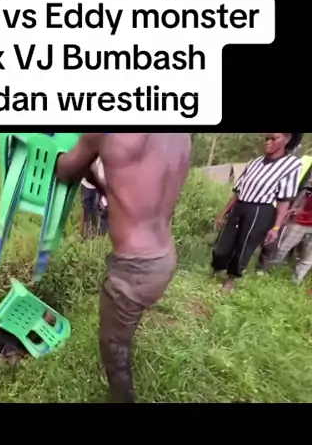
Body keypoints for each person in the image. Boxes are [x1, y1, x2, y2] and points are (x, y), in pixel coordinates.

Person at [56, 133, 191, 404]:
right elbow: (133, 181)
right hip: (164, 257)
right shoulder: (182, 133)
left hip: (135, 268)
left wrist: (68, 150)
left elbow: (64, 172)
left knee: (113, 346)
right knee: (124, 323)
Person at [212, 133, 303, 293]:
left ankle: (231, 279)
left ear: (287, 139)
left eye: (274, 139)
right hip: (240, 206)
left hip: (261, 210)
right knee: (222, 245)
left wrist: (276, 228)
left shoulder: (291, 165)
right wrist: (223, 213)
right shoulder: (254, 162)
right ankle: (217, 268)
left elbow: (284, 200)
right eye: (266, 139)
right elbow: (238, 191)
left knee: (244, 246)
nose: (268, 142)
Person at [269, 166, 312, 284]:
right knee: (282, 248)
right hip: (300, 221)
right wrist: (297, 208)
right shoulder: (308, 183)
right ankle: (270, 272)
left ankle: (296, 280)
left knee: (309, 257)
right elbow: (305, 195)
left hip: (304, 220)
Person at [81, 157, 108, 237]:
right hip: (86, 184)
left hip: (98, 186)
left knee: (97, 209)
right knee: (87, 209)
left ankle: (97, 233)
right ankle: (86, 233)